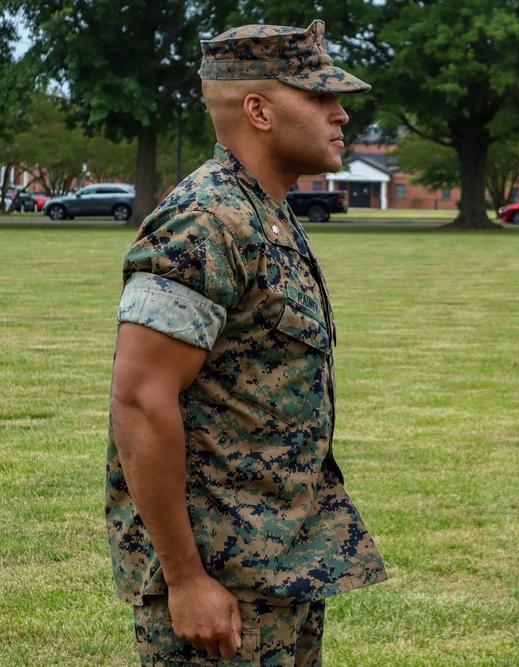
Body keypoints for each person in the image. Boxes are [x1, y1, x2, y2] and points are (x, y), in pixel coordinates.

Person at [106, 20, 387, 666]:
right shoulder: (204, 220)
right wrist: (184, 578)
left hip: (279, 568)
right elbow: (142, 400)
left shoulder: (265, 210)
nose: (340, 112)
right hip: (222, 585)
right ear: (258, 109)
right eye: (318, 96)